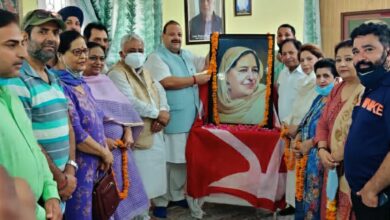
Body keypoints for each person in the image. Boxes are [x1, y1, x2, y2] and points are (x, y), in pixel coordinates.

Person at [1, 9, 77, 204]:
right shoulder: (16, 79)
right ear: (25, 37)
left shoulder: (53, 77)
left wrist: (70, 166)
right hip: (37, 191)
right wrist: (58, 180)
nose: (51, 38)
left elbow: (67, 124)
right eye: (43, 31)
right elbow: (29, 141)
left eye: (55, 33)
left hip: (56, 186)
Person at [144, 20, 210, 218]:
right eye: (172, 34)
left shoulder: (186, 55)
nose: (176, 38)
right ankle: (160, 201)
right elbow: (166, 82)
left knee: (182, 160)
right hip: (170, 118)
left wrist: (215, 45)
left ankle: (176, 195)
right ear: (163, 36)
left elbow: (205, 64)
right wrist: (194, 80)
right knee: (167, 162)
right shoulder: (156, 57)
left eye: (179, 34)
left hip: (190, 118)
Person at [83, 42, 150, 219]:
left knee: (126, 194)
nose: (98, 62)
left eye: (101, 58)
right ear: (83, 58)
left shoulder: (106, 81)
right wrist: (102, 140)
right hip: (100, 154)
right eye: (93, 58)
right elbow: (82, 122)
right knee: (106, 199)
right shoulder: (78, 85)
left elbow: (124, 111)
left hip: (122, 152)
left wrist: (127, 131)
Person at [53, 30, 114, 219]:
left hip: (96, 163)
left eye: (85, 51)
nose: (84, 57)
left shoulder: (81, 82)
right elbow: (77, 133)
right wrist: (104, 152)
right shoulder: (60, 86)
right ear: (60, 54)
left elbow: (96, 120)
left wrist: (104, 148)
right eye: (77, 52)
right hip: (77, 166)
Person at [108, 34, 169, 218]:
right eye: (132, 51)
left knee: (152, 185)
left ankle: (146, 213)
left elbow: (159, 92)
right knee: (138, 185)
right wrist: (157, 114)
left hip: (154, 133)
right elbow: (130, 102)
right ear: (122, 53)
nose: (137, 54)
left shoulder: (146, 71)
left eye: (140, 51)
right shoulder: (116, 73)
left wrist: (164, 112)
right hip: (135, 137)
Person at [344, 22, 390, 219]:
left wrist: (372, 189)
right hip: (362, 192)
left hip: (379, 195)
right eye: (356, 51)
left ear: (387, 52)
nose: (360, 58)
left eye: (369, 49)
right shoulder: (371, 88)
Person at [316, 39, 361, 220]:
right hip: (330, 164)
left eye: (348, 59)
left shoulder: (367, 91)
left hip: (353, 170)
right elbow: (322, 123)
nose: (342, 64)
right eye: (338, 59)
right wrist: (321, 148)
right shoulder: (337, 89)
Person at [293, 59, 338, 219]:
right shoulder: (318, 99)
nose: (321, 80)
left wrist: (310, 144)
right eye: (318, 76)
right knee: (306, 202)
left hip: (322, 160)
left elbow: (332, 132)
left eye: (326, 76)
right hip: (308, 161)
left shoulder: (336, 103)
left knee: (320, 205)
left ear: (336, 78)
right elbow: (306, 122)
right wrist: (297, 141)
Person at [217, 46, 266, 124]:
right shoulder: (218, 101)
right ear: (226, 75)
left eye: (255, 70)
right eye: (243, 70)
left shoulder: (264, 98)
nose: (251, 77)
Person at [284, 44, 324, 137]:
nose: (305, 63)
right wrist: (286, 122)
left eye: (309, 59)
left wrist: (297, 127)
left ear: (320, 59)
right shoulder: (303, 81)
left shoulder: (322, 83)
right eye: (302, 60)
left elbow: (314, 112)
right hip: (294, 132)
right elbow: (297, 109)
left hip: (309, 133)